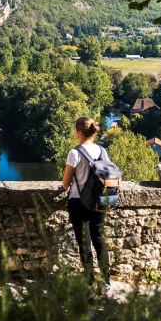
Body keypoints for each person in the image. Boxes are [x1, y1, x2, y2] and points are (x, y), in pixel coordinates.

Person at [62, 116, 110, 285]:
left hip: (78, 202)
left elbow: (66, 183)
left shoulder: (74, 153)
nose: (74, 132)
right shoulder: (103, 151)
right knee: (99, 239)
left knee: (85, 242)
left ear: (80, 132)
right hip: (99, 201)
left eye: (75, 129)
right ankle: (106, 281)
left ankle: (89, 281)